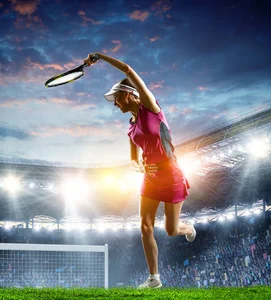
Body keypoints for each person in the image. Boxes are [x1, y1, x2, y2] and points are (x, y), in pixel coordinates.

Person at [84, 52, 196, 289]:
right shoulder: (131, 130)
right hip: (151, 178)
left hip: (172, 174)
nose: (115, 104)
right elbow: (133, 160)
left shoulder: (151, 108)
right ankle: (154, 278)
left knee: (171, 229)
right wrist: (141, 166)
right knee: (144, 227)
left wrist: (101, 58)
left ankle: (188, 227)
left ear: (127, 94)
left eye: (116, 98)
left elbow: (127, 69)